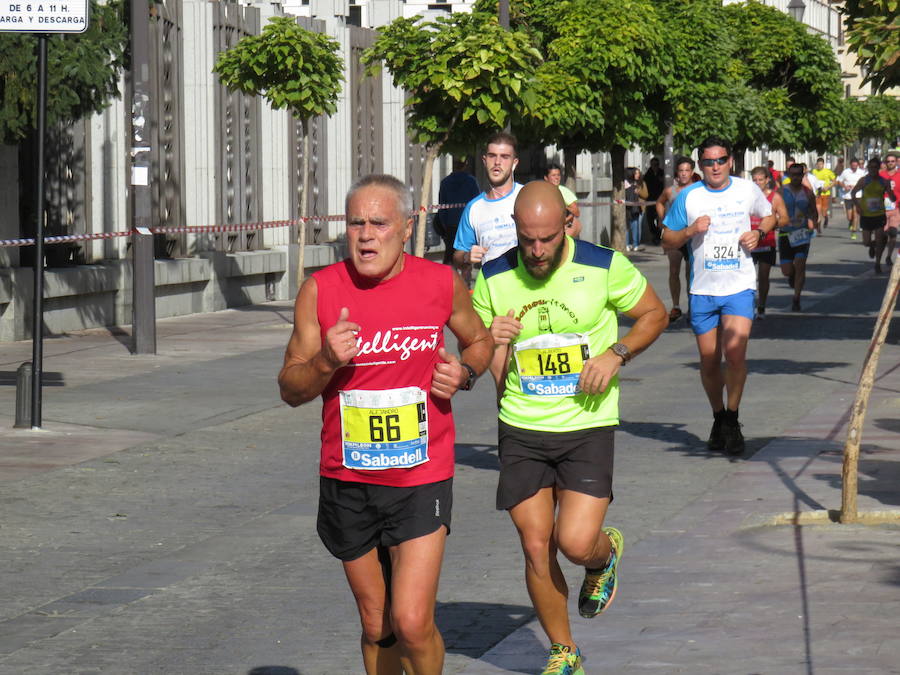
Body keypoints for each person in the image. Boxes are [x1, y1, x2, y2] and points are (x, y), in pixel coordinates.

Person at [278, 174, 493, 675]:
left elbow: (480, 342)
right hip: (348, 478)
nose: (366, 234)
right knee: (378, 623)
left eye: (379, 223)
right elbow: (290, 388)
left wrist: (463, 373)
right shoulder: (321, 290)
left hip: (420, 474)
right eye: (356, 223)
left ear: (406, 227)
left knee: (413, 620)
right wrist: (325, 363)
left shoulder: (441, 283)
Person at [472, 180, 668, 675]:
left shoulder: (603, 266)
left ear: (567, 222)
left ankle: (603, 557)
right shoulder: (494, 276)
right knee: (536, 544)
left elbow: (654, 314)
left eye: (547, 239)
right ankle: (564, 651)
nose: (537, 251)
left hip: (587, 424)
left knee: (575, 542)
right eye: (527, 239)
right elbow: (474, 350)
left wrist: (616, 353)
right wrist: (491, 341)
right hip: (521, 425)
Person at [661, 137, 776, 455]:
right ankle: (718, 416)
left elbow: (770, 216)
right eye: (708, 162)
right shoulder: (689, 197)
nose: (715, 167)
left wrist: (759, 232)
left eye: (721, 160)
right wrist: (689, 231)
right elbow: (666, 239)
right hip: (703, 289)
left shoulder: (745, 189)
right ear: (700, 165)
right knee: (709, 360)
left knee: (735, 354)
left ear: (731, 161)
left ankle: (733, 418)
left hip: (738, 285)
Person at [453, 131, 523, 274]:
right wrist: (467, 257)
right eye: (492, 156)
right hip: (492, 290)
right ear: (484, 161)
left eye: (504, 157)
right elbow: (458, 256)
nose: (497, 162)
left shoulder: (528, 196)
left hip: (528, 288)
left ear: (514, 163)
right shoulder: (474, 208)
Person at [655, 156, 698, 322]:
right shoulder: (670, 191)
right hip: (674, 234)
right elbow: (659, 202)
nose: (684, 174)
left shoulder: (697, 190)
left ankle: (692, 307)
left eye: (687, 170)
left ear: (692, 172)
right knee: (674, 270)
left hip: (691, 235)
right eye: (681, 171)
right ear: (677, 173)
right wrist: (662, 219)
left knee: (690, 272)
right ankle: (676, 306)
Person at [749, 166, 788, 319]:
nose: (758, 183)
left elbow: (785, 218)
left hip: (767, 242)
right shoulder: (747, 196)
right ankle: (749, 306)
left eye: (760, 180)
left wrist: (772, 224)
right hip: (749, 242)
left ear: (767, 180)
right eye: (755, 180)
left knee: (763, 276)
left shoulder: (775, 197)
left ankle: (762, 306)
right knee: (748, 278)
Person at [779, 163, 818, 312]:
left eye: (798, 175)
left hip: (802, 233)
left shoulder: (807, 192)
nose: (795, 177)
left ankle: (796, 298)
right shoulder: (782, 191)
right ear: (788, 175)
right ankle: (792, 275)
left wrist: (813, 224)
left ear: (802, 175)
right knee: (787, 271)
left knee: (800, 265)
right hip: (785, 233)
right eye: (792, 174)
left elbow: (813, 211)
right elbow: (772, 208)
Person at [853, 157, 896, 274]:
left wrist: (891, 193)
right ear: (868, 168)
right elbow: (853, 193)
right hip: (866, 215)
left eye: (875, 167)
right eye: (870, 167)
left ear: (878, 168)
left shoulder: (883, 181)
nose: (873, 169)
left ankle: (877, 263)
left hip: (879, 215)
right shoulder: (864, 180)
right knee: (866, 242)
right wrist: (858, 206)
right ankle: (873, 245)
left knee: (878, 239)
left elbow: (892, 197)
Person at [434, 158, 480, 265]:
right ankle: (465, 280)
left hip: (451, 225)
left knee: (450, 257)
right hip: (467, 225)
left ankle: (449, 280)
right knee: (466, 258)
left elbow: (442, 208)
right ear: (466, 164)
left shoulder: (445, 182)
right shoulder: (471, 181)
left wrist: (445, 227)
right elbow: (477, 205)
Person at [544, 162, 583, 238]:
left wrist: (563, 207)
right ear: (546, 178)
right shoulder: (541, 192)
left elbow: (577, 212)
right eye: (553, 175)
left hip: (562, 228)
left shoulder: (564, 192)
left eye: (558, 175)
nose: (557, 178)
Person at [838, 157, 867, 240]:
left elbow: (866, 182)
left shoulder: (862, 172)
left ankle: (854, 231)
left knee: (856, 214)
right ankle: (850, 222)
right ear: (850, 165)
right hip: (848, 196)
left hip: (858, 196)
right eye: (853, 166)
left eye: (856, 166)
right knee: (849, 216)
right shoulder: (845, 172)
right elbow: (839, 181)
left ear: (857, 165)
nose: (854, 167)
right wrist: (845, 186)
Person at [879, 151, 900, 266]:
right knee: (882, 234)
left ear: (896, 162)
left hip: (895, 209)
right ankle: (879, 255)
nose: (890, 163)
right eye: (888, 161)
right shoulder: (881, 175)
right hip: (882, 210)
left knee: (893, 233)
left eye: (893, 161)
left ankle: (888, 257)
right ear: (885, 163)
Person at [643, 157, 665, 243]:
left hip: (661, 199)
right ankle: (656, 234)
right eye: (653, 165)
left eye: (656, 165)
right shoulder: (648, 174)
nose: (655, 166)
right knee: (650, 220)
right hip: (650, 199)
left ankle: (659, 236)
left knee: (660, 218)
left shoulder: (662, 173)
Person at [624, 167, 647, 252]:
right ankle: (627, 244)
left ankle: (635, 244)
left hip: (637, 209)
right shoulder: (626, 184)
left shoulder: (640, 183)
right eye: (636, 173)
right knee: (627, 227)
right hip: (628, 209)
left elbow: (645, 194)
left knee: (636, 226)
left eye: (638, 173)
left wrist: (639, 192)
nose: (638, 175)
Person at [811, 157, 836, 231]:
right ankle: (818, 226)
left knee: (823, 211)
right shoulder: (814, 171)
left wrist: (828, 187)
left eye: (821, 164)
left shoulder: (828, 172)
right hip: (817, 193)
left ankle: (826, 218)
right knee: (817, 210)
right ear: (816, 164)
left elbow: (834, 181)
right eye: (818, 164)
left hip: (825, 193)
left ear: (823, 164)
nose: (819, 166)